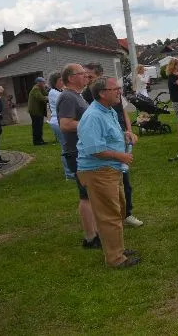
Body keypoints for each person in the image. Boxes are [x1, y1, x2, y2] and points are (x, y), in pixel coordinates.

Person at [76, 76, 140, 268]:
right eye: (115, 89)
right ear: (103, 93)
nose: (119, 91)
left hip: (110, 169)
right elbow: (94, 149)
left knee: (118, 210)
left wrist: (125, 135)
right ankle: (115, 259)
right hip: (98, 171)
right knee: (109, 215)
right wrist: (121, 156)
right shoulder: (93, 116)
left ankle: (117, 249)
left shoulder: (108, 110)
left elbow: (107, 136)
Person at [82, 63, 143, 228]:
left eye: (90, 76)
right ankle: (115, 225)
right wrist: (119, 155)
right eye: (85, 76)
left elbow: (122, 113)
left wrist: (127, 132)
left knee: (123, 187)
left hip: (115, 147)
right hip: (102, 163)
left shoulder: (110, 102)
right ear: (102, 93)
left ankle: (125, 214)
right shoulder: (91, 104)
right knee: (109, 210)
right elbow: (94, 145)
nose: (87, 79)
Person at [57, 63, 100, 248]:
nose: (86, 76)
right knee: (86, 195)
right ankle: (90, 237)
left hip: (82, 150)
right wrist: (91, 124)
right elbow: (65, 124)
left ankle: (96, 232)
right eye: (81, 74)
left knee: (91, 194)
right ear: (70, 78)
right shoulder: (67, 96)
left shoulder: (76, 95)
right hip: (76, 152)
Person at [47, 72, 73, 180]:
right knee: (66, 147)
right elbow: (69, 100)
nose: (63, 82)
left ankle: (71, 171)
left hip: (59, 121)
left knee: (68, 146)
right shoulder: (54, 93)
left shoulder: (59, 91)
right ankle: (69, 174)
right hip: (58, 122)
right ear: (54, 82)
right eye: (60, 80)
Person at [28, 76, 49, 145]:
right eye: (43, 82)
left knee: (39, 126)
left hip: (38, 111)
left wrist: (47, 90)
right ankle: (37, 141)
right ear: (38, 83)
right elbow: (41, 98)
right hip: (35, 111)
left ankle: (40, 140)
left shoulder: (40, 89)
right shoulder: (36, 89)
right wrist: (48, 98)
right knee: (37, 126)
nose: (44, 84)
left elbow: (46, 94)